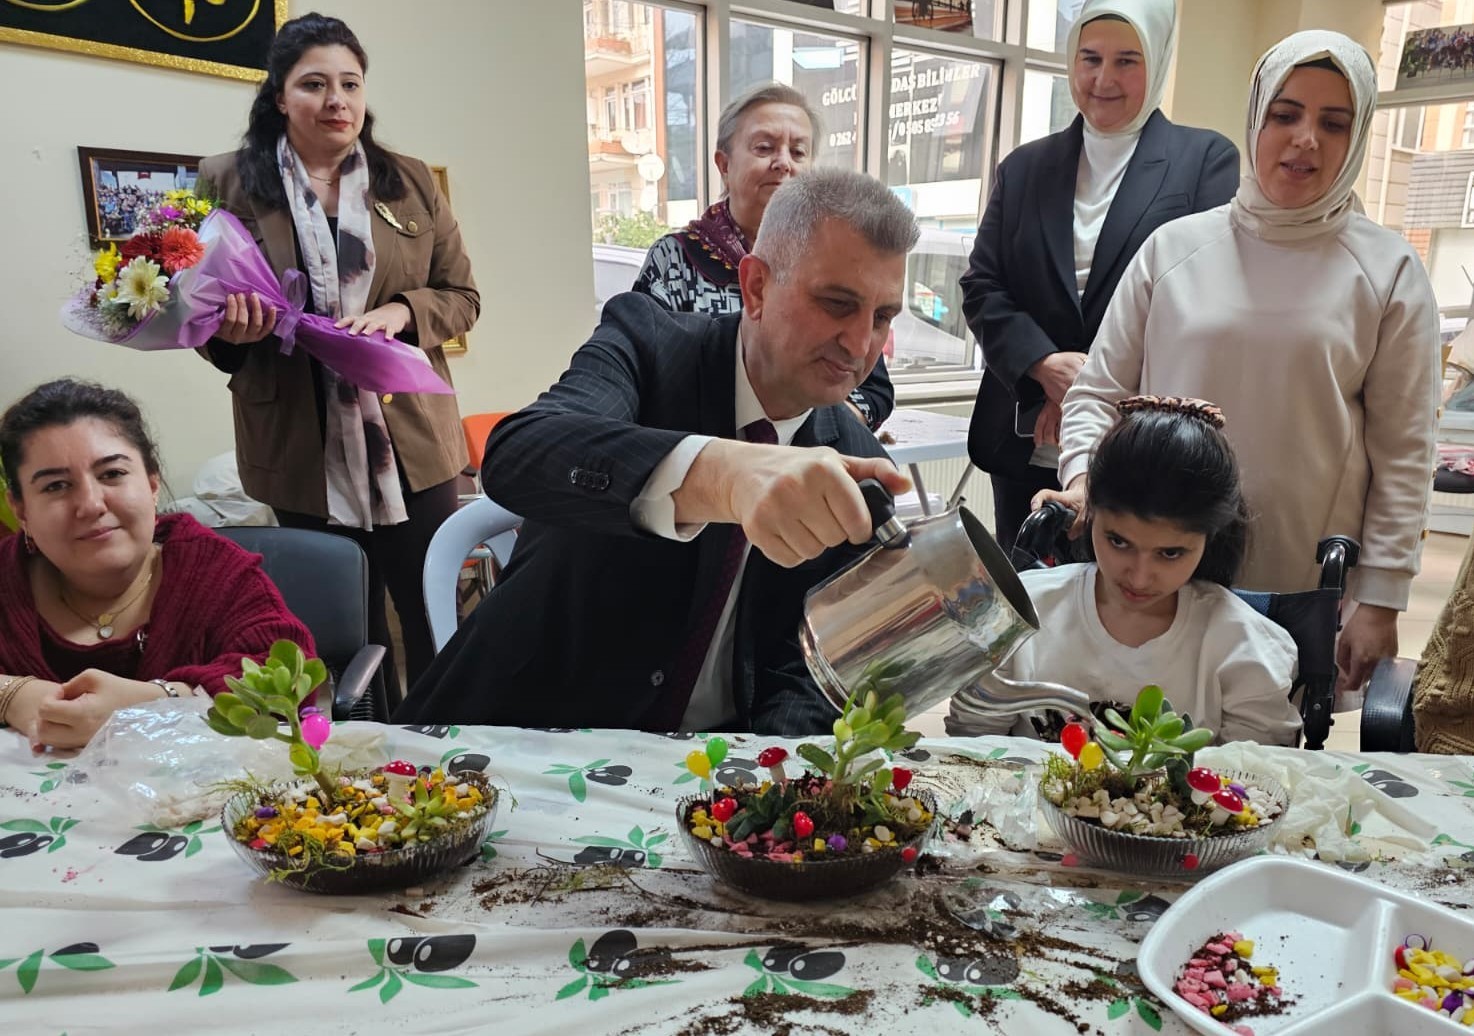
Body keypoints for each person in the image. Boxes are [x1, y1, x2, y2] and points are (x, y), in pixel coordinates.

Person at [397, 170, 915, 734]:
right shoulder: (649, 343)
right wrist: (724, 476)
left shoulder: (858, 465)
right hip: (522, 735)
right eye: (838, 304)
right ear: (757, 287)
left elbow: (813, 672)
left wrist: (761, 780)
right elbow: (520, 452)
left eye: (883, 316)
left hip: (713, 775)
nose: (862, 344)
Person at [1051, 30, 1442, 698]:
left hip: (1298, 582)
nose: (1305, 139)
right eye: (1285, 115)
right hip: (1157, 567)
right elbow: (1097, 393)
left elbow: (1405, 450)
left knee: (1261, 769)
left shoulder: (1388, 271)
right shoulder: (1173, 249)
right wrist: (1086, 481)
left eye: (1333, 123)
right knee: (1131, 746)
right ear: (1256, 118)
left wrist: (1381, 596)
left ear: (1357, 138)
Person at [197, 13, 478, 700]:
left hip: (411, 438)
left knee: (431, 611)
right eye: (314, 84)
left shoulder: (407, 182)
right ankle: (356, 750)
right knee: (334, 625)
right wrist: (229, 333)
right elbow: (199, 315)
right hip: (298, 443)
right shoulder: (227, 183)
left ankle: (449, 737)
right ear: (279, 97)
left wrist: (403, 312)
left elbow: (462, 296)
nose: (337, 101)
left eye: (350, 83)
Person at [960, 0, 1238, 554]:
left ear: (1157, 62)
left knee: (1126, 611)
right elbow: (982, 285)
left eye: (1127, 61)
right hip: (1026, 436)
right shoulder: (1024, 168)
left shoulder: (1204, 160)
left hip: (1139, 444)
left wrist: (1090, 388)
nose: (1103, 79)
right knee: (1028, 605)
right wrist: (1043, 366)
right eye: (1090, 58)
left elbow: (1202, 300)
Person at [948, 397, 1301, 746]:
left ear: (1211, 538)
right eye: (1118, 542)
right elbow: (972, 743)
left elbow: (1253, 779)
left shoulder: (1243, 648)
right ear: (1089, 513)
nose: (1139, 577)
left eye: (1170, 553)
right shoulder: (1021, 613)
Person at [0, 380, 315, 750]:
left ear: (151, 484)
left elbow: (289, 678)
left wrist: (157, 703)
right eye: (55, 486)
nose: (91, 505)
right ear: (20, 509)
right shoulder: (8, 579)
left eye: (112, 474)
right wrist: (11, 693)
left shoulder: (212, 571)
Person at [631, 82, 894, 431]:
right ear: (724, 165)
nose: (783, 163)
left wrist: (824, 426)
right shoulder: (676, 258)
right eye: (765, 148)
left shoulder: (834, 264)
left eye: (798, 152)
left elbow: (874, 389)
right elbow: (645, 372)